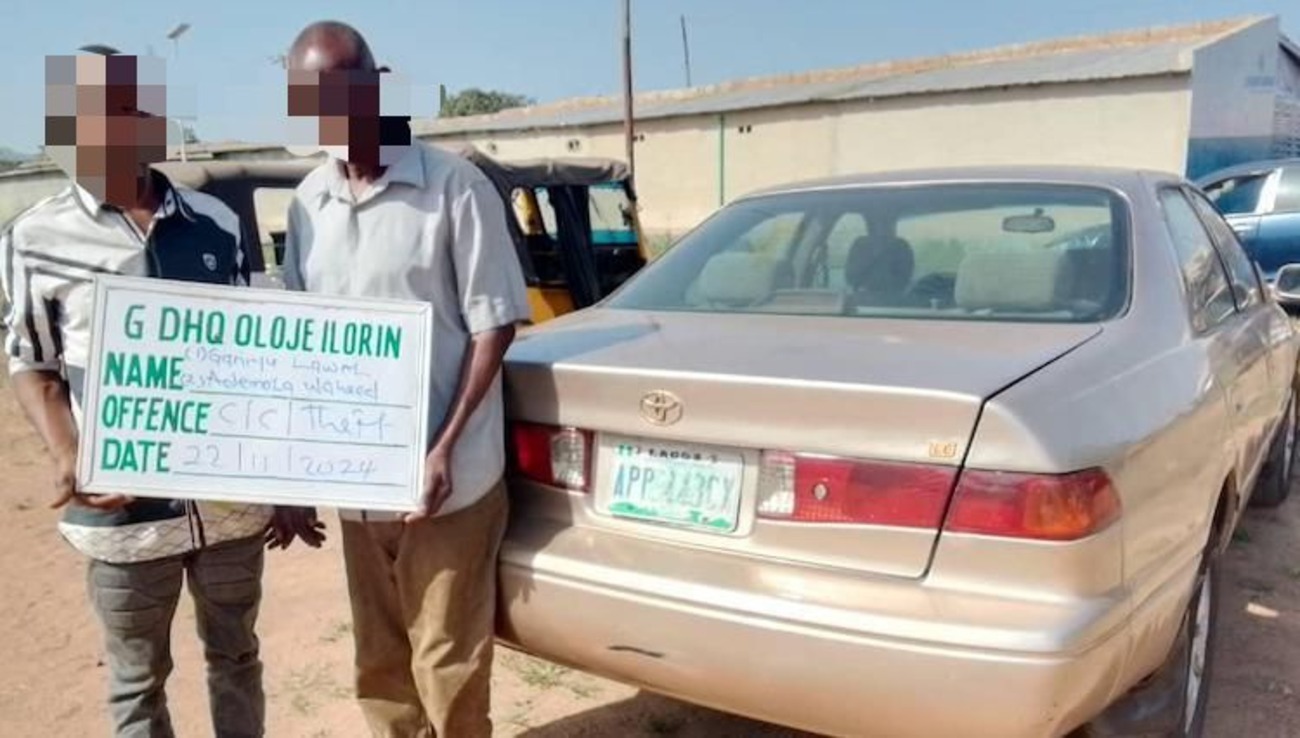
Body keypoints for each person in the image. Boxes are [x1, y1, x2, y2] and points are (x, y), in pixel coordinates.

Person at [1, 45, 321, 738]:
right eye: (102, 111)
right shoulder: (34, 237)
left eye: (137, 107)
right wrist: (69, 451)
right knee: (137, 683)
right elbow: (31, 362)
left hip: (230, 508)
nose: (125, 124)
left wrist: (285, 480)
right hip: (123, 515)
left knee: (238, 657)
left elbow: (257, 356)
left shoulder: (217, 222)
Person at [281, 21, 531, 738]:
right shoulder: (309, 202)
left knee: (447, 662)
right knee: (381, 663)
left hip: (447, 485)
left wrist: (442, 449)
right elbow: (295, 340)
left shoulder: (455, 187)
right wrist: (292, 478)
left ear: (379, 84)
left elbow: (493, 326)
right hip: (358, 486)